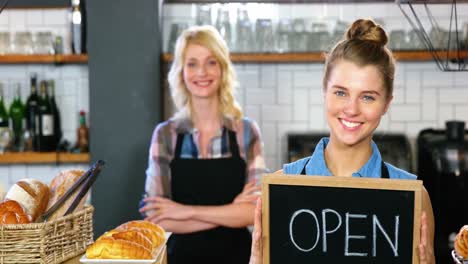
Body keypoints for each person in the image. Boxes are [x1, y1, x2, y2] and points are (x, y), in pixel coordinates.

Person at [248, 18, 435, 264]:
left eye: (367, 97)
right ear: (324, 92)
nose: (351, 109)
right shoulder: (280, 190)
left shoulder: (414, 199)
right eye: (340, 92)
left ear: (387, 103)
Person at [139, 25, 266, 264]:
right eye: (192, 63)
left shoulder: (246, 132)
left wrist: (184, 211)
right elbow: (155, 219)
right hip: (179, 259)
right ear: (181, 72)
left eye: (211, 62)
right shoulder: (165, 135)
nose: (202, 72)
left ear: (222, 68)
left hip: (238, 258)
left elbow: (255, 212)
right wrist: (230, 210)